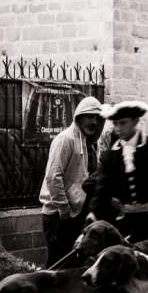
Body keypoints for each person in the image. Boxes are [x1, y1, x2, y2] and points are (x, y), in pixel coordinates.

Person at [85, 101, 148, 242]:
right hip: (126, 225)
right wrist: (93, 215)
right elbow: (102, 192)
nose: (118, 128)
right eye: (115, 124)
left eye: (123, 123)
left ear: (135, 121)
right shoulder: (110, 156)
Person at [39, 96, 103, 267]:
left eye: (97, 118)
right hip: (59, 215)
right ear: (79, 117)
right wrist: (64, 208)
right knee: (58, 263)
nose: (94, 122)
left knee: (73, 262)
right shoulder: (65, 139)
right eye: (89, 116)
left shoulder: (92, 145)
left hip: (77, 214)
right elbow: (53, 176)